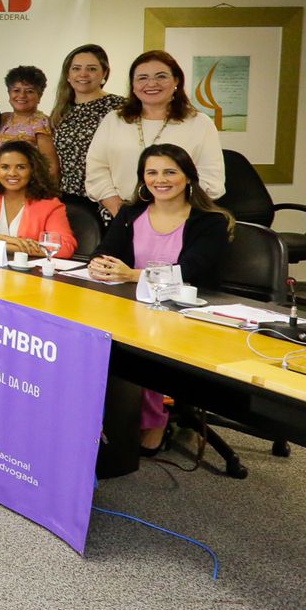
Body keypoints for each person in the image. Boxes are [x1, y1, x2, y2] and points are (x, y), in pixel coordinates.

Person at [90, 144, 234, 453]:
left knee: (141, 347)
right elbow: (104, 251)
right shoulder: (130, 213)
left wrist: (132, 274)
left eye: (170, 172)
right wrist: (99, 264)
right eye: (152, 172)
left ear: (188, 177)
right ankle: (104, 421)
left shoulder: (210, 221)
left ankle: (155, 419)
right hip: (132, 305)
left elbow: (190, 270)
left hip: (186, 312)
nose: (160, 180)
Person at [85, 50, 225, 218]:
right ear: (133, 85)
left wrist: (170, 212)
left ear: (176, 81)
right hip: (120, 213)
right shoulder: (114, 120)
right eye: (142, 78)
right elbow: (96, 169)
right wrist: (118, 209)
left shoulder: (200, 123)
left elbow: (211, 179)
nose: (151, 84)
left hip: (182, 216)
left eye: (161, 76)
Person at [50, 43, 125, 203]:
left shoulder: (120, 107)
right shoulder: (61, 110)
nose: (83, 74)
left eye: (91, 69)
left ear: (104, 73)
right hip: (69, 198)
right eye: (76, 68)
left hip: (109, 199)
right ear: (68, 75)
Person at [0, 65, 58, 176]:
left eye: (29, 91)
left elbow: (51, 167)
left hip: (28, 184)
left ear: (39, 96)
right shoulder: (2, 118)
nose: (22, 95)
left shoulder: (41, 123)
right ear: (9, 93)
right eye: (16, 90)